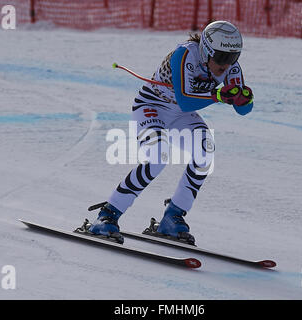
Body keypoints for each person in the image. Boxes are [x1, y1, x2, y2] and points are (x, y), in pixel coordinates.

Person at [85, 20, 254, 245]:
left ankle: (173, 216)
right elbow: (185, 100)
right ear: (206, 51)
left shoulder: (231, 67)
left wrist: (244, 99)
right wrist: (219, 96)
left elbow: (243, 110)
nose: (226, 65)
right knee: (158, 157)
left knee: (205, 153)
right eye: (221, 58)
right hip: (152, 107)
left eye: (232, 58)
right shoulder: (184, 55)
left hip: (180, 116)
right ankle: (107, 214)